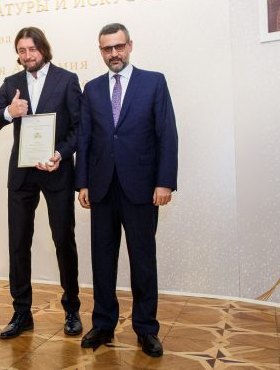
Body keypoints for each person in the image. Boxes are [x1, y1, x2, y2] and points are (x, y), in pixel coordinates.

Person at [76, 23, 178, 358]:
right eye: (107, 49)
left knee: (143, 261)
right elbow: (85, 139)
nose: (114, 54)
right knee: (102, 261)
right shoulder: (91, 88)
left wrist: (164, 182)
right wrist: (83, 183)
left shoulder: (154, 82)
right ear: (101, 51)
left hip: (142, 189)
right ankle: (103, 324)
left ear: (130, 45)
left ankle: (146, 328)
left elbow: (167, 134)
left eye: (119, 46)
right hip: (102, 188)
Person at [0, 27, 82, 339]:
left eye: (32, 49)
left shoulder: (67, 80)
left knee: (63, 240)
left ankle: (72, 309)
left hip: (56, 170)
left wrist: (60, 154)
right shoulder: (11, 83)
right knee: (18, 242)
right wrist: (9, 113)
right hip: (22, 175)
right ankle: (21, 313)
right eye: (22, 50)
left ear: (43, 48)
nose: (27, 55)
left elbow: (79, 128)